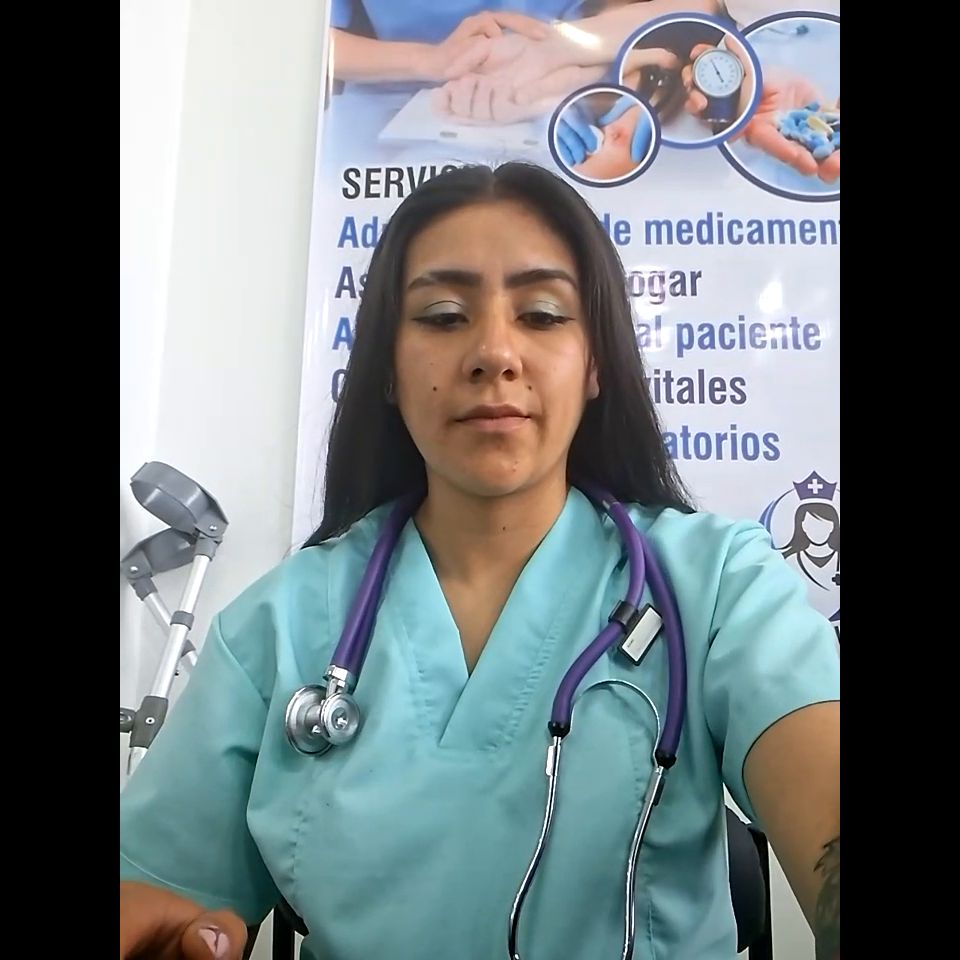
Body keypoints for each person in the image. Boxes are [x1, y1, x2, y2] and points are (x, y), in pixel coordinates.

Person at [119, 162, 840, 960]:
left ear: (595, 365)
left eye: (542, 314)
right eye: (443, 316)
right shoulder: (277, 628)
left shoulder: (717, 587)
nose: (495, 352)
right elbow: (159, 894)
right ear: (386, 371)